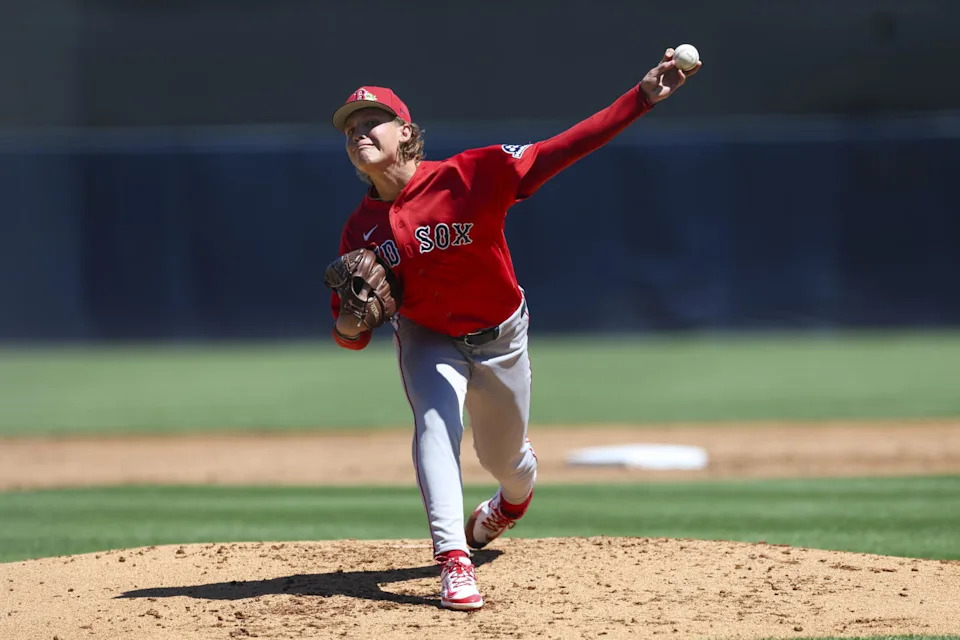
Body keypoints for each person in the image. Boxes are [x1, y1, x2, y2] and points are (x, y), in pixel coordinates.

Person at [328, 48, 702, 611]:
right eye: (350, 128)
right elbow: (349, 336)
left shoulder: (471, 174)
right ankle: (454, 561)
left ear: (405, 132)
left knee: (505, 461)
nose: (358, 132)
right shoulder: (360, 229)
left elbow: (563, 149)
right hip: (427, 338)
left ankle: (512, 500)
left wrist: (641, 97)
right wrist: (350, 324)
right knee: (434, 425)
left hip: (501, 336)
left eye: (371, 121)